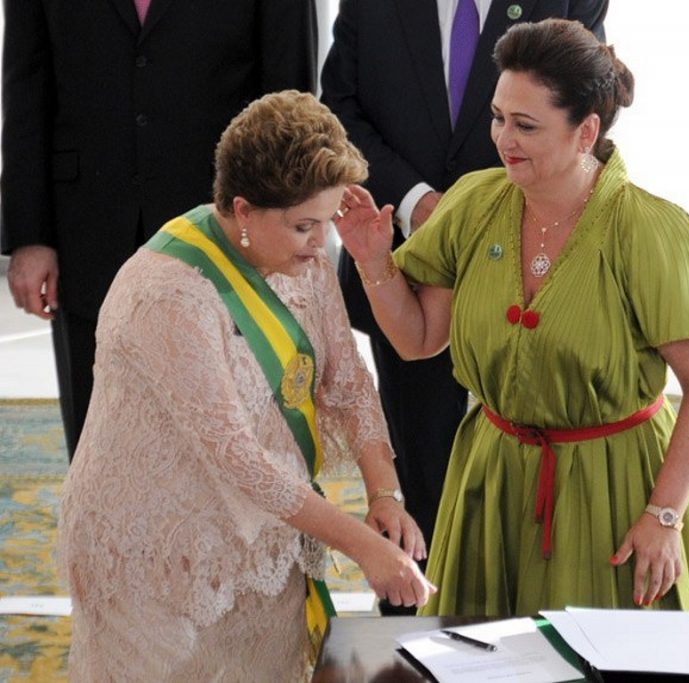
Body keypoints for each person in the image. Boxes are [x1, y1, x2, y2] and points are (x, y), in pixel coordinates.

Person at [336, 18, 689, 616]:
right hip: (492, 483)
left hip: (613, 490)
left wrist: (664, 516)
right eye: (498, 117)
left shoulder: (649, 229)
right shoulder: (472, 202)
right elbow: (419, 339)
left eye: (525, 125)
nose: (503, 139)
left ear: (586, 132)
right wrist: (373, 261)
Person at [58, 91, 435, 680]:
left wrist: (385, 494)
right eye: (303, 226)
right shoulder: (168, 293)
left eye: (325, 221)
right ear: (242, 210)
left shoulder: (301, 258)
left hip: (265, 534)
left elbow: (348, 379)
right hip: (160, 552)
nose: (319, 244)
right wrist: (362, 546)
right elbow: (235, 456)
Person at [320, 0, 608, 614]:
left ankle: (531, 610)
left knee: (534, 449)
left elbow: (584, 108)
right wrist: (421, 204)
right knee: (421, 454)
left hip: (534, 252)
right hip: (401, 251)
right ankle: (415, 612)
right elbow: (340, 110)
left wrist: (495, 210)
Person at [1, 0, 318, 458]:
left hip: (225, 234)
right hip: (87, 234)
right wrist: (31, 235)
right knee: (100, 448)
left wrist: (287, 228)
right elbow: (26, 88)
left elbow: (290, 99)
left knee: (222, 453)